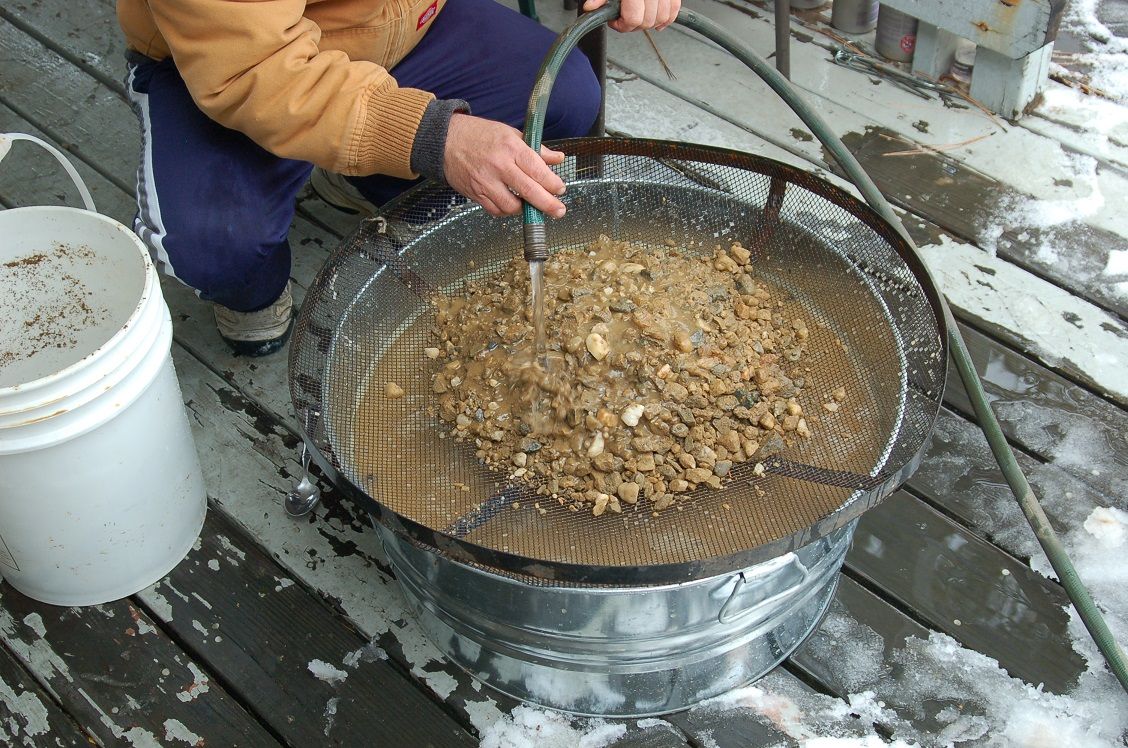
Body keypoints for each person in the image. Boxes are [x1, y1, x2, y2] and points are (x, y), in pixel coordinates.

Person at [116, 0, 680, 356]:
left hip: (404, 22)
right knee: (219, 248)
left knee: (565, 96)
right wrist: (435, 137)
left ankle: (367, 176)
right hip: (239, 67)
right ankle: (255, 292)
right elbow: (254, 70)